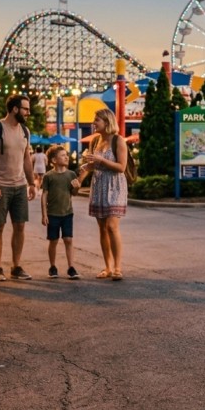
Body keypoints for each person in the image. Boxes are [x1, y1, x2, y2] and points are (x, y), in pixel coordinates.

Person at [0, 94, 37, 281]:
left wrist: (31, 183)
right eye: (26, 109)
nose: (29, 112)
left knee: (20, 226)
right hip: (0, 186)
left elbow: (26, 158)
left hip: (20, 185)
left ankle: (16, 266)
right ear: (15, 109)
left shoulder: (25, 131)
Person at [77, 108, 127, 281]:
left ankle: (118, 268)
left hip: (115, 186)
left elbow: (122, 167)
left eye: (96, 120)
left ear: (107, 122)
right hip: (98, 185)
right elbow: (92, 165)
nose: (93, 122)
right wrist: (82, 173)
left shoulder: (118, 140)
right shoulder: (95, 141)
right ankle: (107, 267)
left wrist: (101, 160)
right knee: (102, 229)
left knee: (112, 226)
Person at [40, 145, 81, 280]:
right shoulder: (48, 176)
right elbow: (44, 195)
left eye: (66, 155)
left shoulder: (71, 174)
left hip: (67, 213)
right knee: (53, 241)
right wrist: (44, 214)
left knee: (68, 239)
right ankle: (52, 267)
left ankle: (71, 267)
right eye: (63, 155)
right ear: (54, 160)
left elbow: (74, 193)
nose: (66, 157)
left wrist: (77, 188)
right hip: (52, 214)